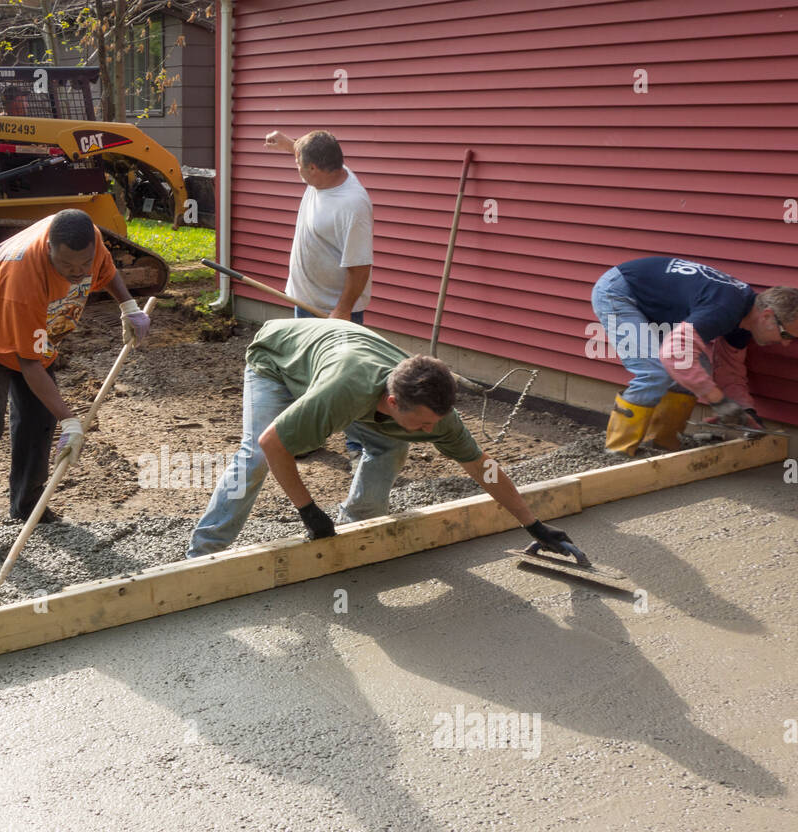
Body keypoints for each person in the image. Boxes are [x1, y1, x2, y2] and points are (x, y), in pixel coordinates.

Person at [187, 319, 576, 559]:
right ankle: (202, 555)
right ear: (393, 402)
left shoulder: (437, 416)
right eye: (422, 424)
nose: (432, 433)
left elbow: (481, 467)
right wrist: (308, 510)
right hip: (279, 359)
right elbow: (275, 445)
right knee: (255, 455)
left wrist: (533, 524)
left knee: (390, 445)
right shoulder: (343, 393)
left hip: (344, 355)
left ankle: (355, 528)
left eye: (434, 424)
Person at [0, 208, 151, 559]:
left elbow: (105, 269)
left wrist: (128, 305)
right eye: (68, 267)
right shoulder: (22, 276)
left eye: (83, 265)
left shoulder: (89, 241)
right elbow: (28, 363)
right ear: (49, 249)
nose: (78, 274)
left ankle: (27, 507)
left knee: (39, 420)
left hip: (35, 329)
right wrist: (71, 419)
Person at [590, 257, 798, 455]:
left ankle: (661, 444)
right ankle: (617, 452)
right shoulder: (724, 309)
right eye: (784, 334)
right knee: (655, 370)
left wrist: (744, 410)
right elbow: (675, 355)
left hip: (654, 302)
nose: (786, 344)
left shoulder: (743, 320)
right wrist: (718, 401)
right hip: (620, 291)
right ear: (768, 316)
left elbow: (729, 370)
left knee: (699, 367)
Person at [266, 129, 374, 460]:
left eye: (299, 164)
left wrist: (341, 311)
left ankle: (361, 446)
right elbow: (306, 147)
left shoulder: (351, 206)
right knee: (307, 374)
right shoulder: (323, 173)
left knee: (344, 378)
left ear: (314, 168)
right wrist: (289, 145)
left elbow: (360, 268)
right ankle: (311, 437)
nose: (296, 168)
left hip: (334, 309)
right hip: (305, 300)